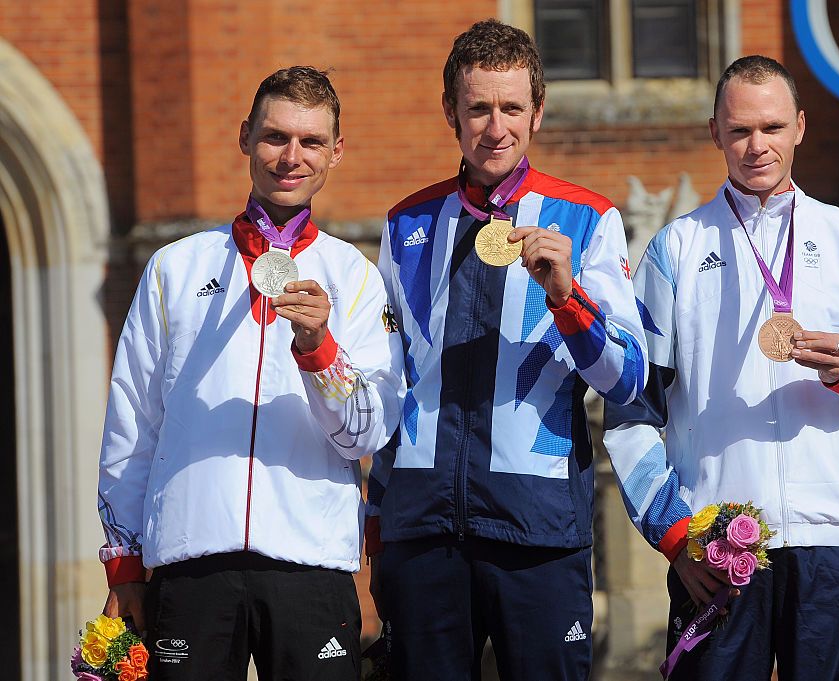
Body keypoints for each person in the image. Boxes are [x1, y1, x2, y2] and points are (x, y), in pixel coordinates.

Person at [603, 55, 839, 681]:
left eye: (772, 128)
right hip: (721, 544)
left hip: (833, 537)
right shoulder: (674, 249)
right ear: (715, 133)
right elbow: (630, 414)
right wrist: (676, 535)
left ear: (800, 127)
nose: (757, 146)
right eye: (739, 131)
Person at [97, 66, 405, 681]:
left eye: (311, 143)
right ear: (245, 138)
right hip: (191, 559)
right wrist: (124, 567)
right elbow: (131, 425)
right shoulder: (174, 268)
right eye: (275, 137)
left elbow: (366, 435)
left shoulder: (358, 277)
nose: (291, 157)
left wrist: (320, 350)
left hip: (310, 564)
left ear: (335, 154)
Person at [365, 19, 646, 681]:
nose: (496, 127)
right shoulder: (406, 221)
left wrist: (568, 297)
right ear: (451, 113)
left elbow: (628, 379)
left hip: (537, 530)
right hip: (422, 529)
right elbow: (388, 379)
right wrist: (375, 525)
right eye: (479, 108)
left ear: (538, 112)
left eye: (512, 108)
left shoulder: (588, 218)